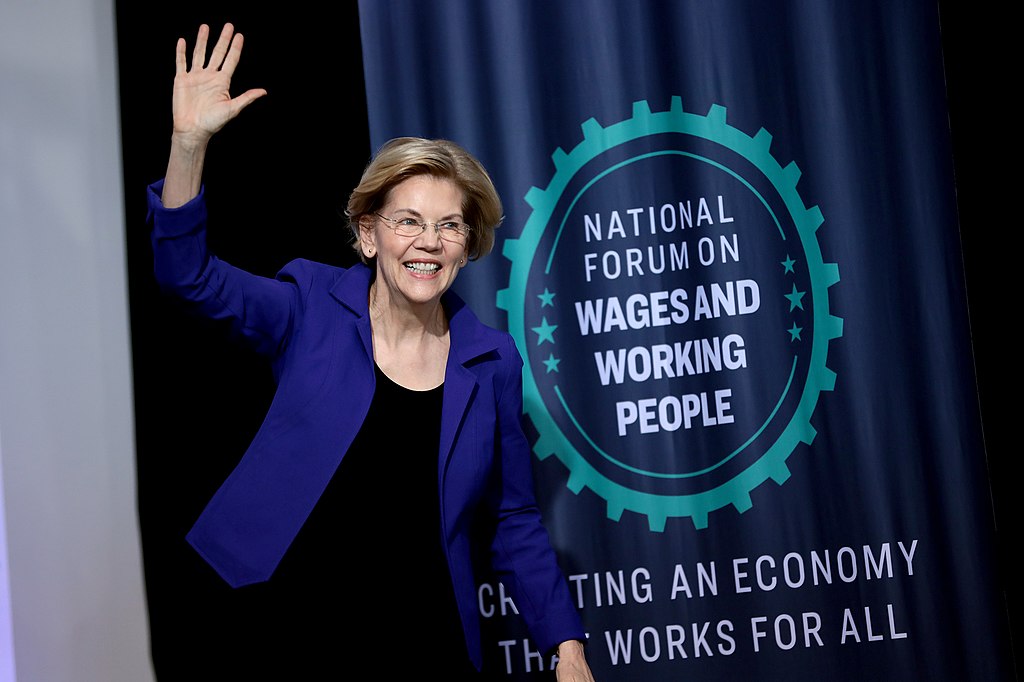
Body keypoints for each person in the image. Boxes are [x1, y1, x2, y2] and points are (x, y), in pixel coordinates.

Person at [146, 22, 597, 681]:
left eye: (450, 226)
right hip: (274, 625)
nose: (429, 241)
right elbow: (189, 277)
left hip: (420, 635)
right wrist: (187, 146)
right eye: (407, 220)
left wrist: (567, 647)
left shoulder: (491, 362)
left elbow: (514, 521)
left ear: (467, 247)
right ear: (367, 235)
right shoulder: (310, 303)